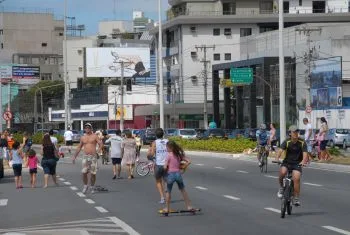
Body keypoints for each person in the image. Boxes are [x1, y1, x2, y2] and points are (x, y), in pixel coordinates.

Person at [276, 125, 308, 206]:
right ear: (290, 133)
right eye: (294, 132)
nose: (296, 133)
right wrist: (277, 158)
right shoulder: (286, 141)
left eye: (297, 131)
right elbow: (280, 151)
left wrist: (303, 161)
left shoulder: (302, 142)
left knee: (296, 178)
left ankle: (296, 198)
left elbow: (305, 154)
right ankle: (281, 188)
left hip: (297, 163)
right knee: (282, 173)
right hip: (287, 162)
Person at [72, 123, 103, 194]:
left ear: (91, 128)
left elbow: (101, 144)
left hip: (93, 156)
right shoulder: (83, 137)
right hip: (85, 156)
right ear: (84, 129)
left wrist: (98, 152)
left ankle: (92, 187)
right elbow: (79, 147)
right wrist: (74, 156)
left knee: (93, 173)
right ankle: (85, 186)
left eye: (88, 128)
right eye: (86, 128)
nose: (87, 129)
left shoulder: (95, 136)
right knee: (84, 172)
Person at [163, 140, 192, 213]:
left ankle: (167, 208)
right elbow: (189, 161)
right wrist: (184, 166)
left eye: (167, 147)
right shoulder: (179, 155)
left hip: (170, 175)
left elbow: (165, 167)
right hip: (178, 174)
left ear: (170, 148)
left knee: (168, 191)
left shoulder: (168, 155)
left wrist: (164, 168)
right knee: (183, 190)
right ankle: (189, 206)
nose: (166, 149)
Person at [147, 128, 168, 204]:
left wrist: (149, 153)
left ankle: (162, 198)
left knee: (158, 181)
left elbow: (152, 154)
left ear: (155, 135)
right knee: (166, 180)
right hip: (167, 164)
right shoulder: (167, 141)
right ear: (163, 134)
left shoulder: (154, 143)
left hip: (158, 164)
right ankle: (166, 191)